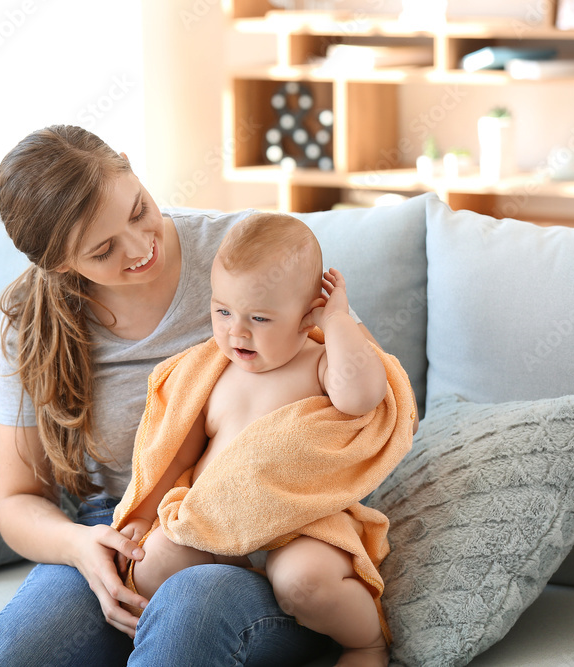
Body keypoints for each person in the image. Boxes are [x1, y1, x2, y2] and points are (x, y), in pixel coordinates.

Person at [0, 125, 396, 666]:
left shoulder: (248, 255)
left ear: (132, 168)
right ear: (62, 264)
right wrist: (81, 548)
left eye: (138, 210)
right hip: (124, 530)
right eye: (105, 249)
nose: (140, 248)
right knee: (9, 657)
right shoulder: (27, 323)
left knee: (188, 611)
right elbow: (17, 500)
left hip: (273, 540)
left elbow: (356, 389)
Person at [110, 212, 417, 667]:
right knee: (153, 564)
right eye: (223, 311)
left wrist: (336, 321)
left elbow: (363, 395)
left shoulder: (319, 363)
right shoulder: (210, 373)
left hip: (300, 522)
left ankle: (365, 642)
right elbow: (175, 452)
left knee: (305, 582)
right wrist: (141, 513)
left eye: (259, 317)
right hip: (216, 520)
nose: (237, 331)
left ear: (307, 310)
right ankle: (233, 600)